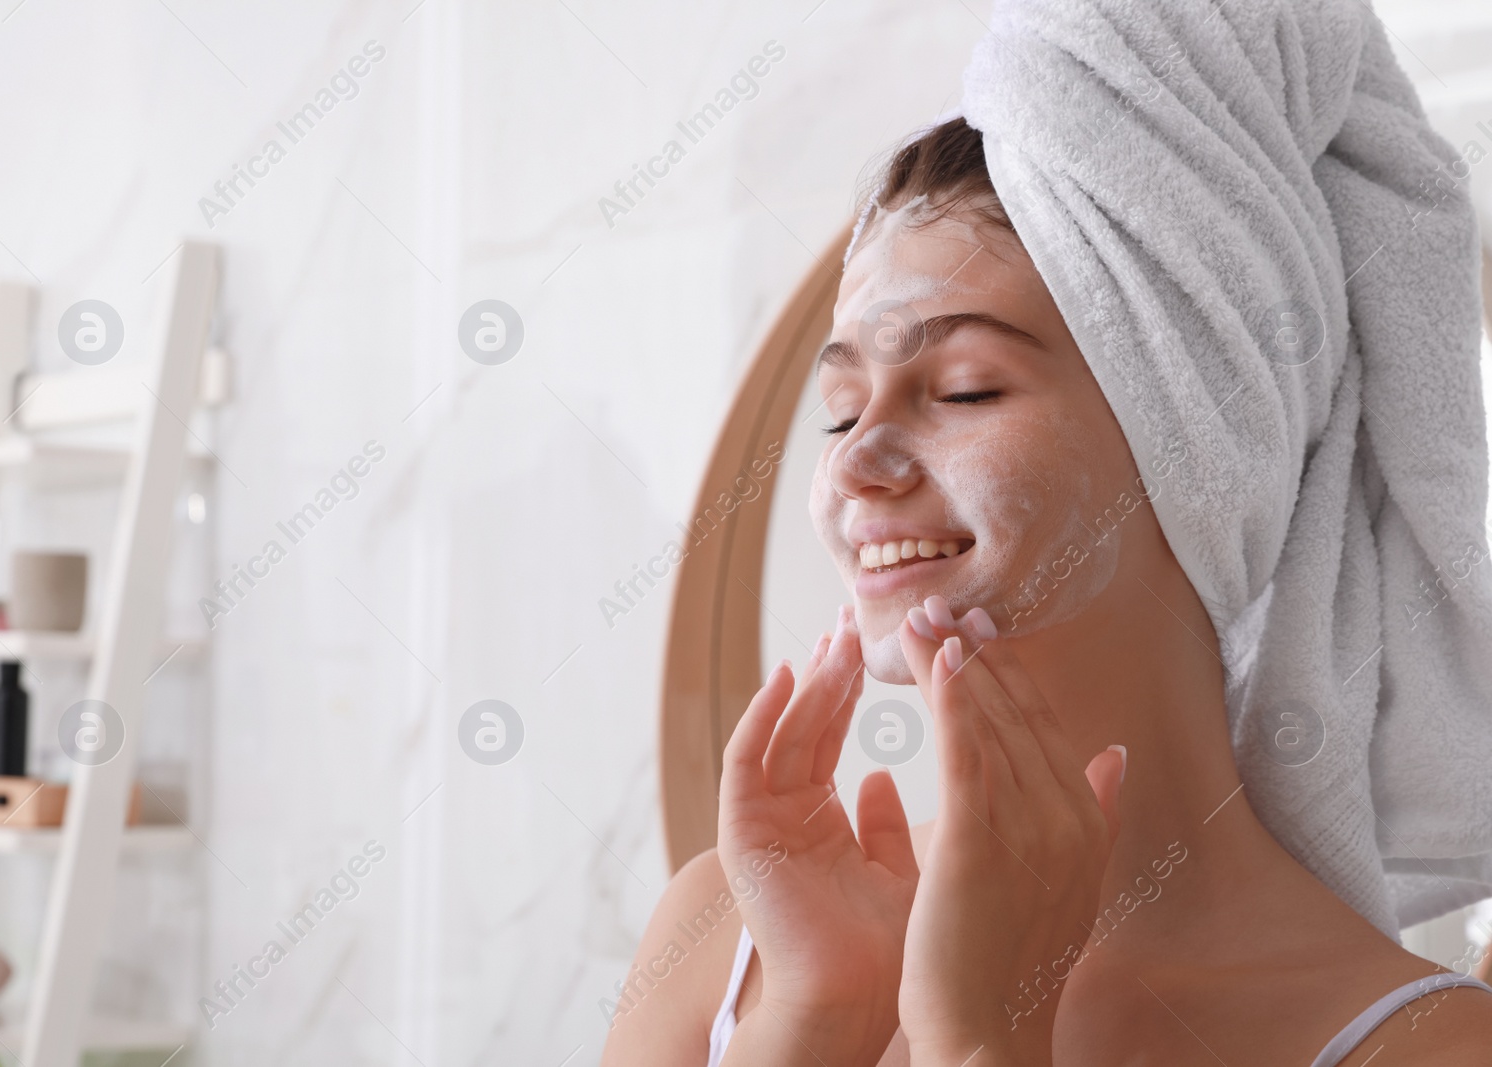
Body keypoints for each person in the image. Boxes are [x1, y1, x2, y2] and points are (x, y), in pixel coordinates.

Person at [599, 110, 1492, 1066]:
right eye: (843, 409)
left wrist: (980, 1037)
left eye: (967, 388)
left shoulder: (1419, 1045)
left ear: (1201, 452)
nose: (858, 460)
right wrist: (812, 1022)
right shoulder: (729, 937)